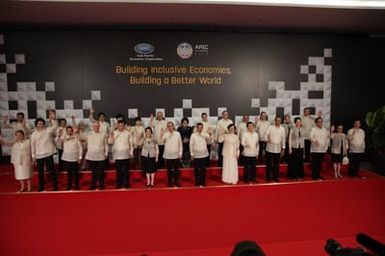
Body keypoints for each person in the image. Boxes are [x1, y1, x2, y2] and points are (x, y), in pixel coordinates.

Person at [31, 111, 58, 191]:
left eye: (42, 123)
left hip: (48, 153)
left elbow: (55, 126)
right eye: (39, 124)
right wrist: (33, 156)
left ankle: (55, 185)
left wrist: (53, 118)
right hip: (39, 155)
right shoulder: (33, 134)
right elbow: (32, 145)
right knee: (40, 172)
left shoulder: (48, 130)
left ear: (44, 124)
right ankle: (41, 186)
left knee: (51, 171)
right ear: (36, 125)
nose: (40, 125)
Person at [83, 121, 109, 190]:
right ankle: (93, 184)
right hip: (92, 156)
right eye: (94, 126)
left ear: (99, 126)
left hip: (101, 155)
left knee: (101, 171)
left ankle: (101, 185)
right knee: (93, 171)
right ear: (92, 127)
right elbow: (80, 137)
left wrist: (106, 153)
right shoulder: (88, 134)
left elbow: (106, 144)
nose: (96, 127)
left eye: (97, 126)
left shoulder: (103, 134)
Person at [108, 120, 133, 189]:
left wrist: (131, 152)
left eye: (122, 125)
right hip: (117, 155)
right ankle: (119, 184)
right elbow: (109, 142)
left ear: (124, 125)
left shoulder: (128, 133)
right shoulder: (114, 133)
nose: (121, 126)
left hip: (126, 155)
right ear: (117, 125)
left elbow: (131, 143)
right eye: (119, 125)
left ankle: (126, 184)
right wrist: (112, 137)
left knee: (126, 171)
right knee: (118, 171)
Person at [56, 126, 83, 190]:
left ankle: (76, 185)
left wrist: (80, 157)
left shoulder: (76, 137)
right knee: (69, 173)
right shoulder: (64, 137)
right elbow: (58, 142)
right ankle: (69, 185)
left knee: (76, 172)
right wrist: (59, 135)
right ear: (66, 131)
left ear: (72, 131)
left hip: (75, 158)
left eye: (70, 130)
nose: (69, 132)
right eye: (68, 130)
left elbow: (80, 147)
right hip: (66, 158)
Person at [190, 122, 212, 187]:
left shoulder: (205, 134)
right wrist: (192, 153)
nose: (200, 128)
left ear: (202, 128)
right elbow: (191, 144)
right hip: (196, 154)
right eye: (198, 127)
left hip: (203, 154)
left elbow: (210, 141)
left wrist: (210, 135)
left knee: (203, 169)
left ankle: (202, 181)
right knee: (196, 169)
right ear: (197, 128)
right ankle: (197, 181)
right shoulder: (193, 135)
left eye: (201, 127)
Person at [265, 116, 285, 182]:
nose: (278, 122)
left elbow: (283, 139)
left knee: (277, 164)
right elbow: (265, 135)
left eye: (279, 120)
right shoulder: (270, 127)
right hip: (269, 149)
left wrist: (283, 148)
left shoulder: (282, 129)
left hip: (278, 149)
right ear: (275, 121)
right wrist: (268, 139)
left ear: (281, 121)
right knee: (269, 164)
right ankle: (268, 177)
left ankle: (275, 177)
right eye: (277, 120)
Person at [163, 121, 183, 187]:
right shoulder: (165, 134)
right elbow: (162, 141)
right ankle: (170, 182)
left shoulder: (177, 133)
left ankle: (176, 181)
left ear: (173, 126)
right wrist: (162, 135)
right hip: (168, 155)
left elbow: (180, 144)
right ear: (167, 127)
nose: (170, 127)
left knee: (176, 170)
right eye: (168, 126)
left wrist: (180, 153)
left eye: (171, 126)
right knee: (169, 170)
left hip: (176, 155)